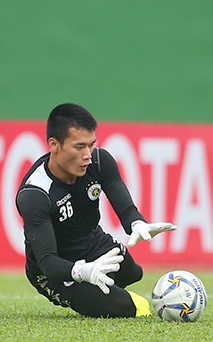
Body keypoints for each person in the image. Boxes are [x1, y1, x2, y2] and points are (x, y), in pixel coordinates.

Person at [15, 103, 176, 318]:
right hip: (56, 269)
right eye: (79, 147)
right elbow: (48, 263)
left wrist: (137, 223)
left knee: (133, 272)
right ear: (54, 145)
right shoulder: (35, 194)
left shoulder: (100, 162)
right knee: (128, 308)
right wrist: (83, 271)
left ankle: (99, 295)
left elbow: (126, 208)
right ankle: (95, 296)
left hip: (92, 243)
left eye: (91, 145)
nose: (88, 155)